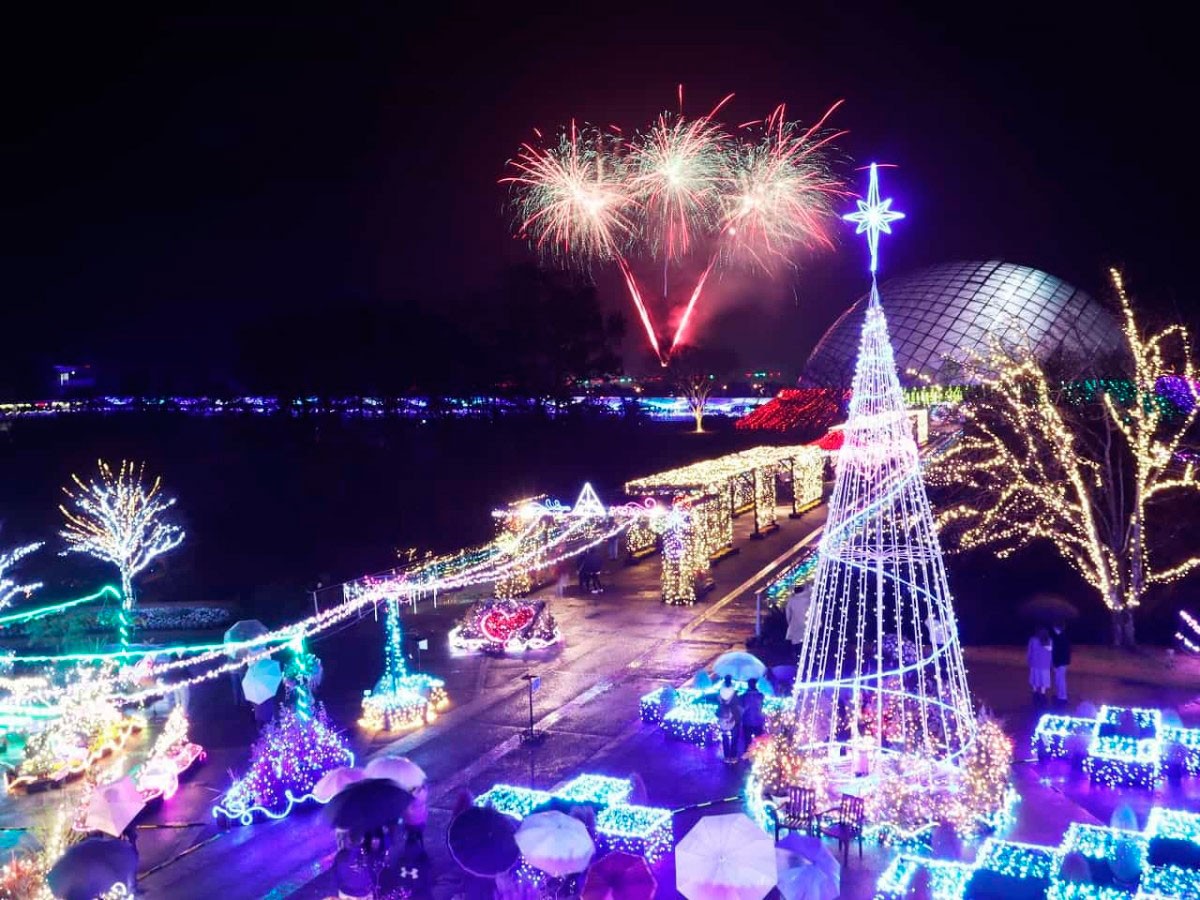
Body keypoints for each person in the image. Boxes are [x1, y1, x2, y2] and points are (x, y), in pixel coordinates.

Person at [716, 675, 742, 763]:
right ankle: (733, 757)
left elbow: (719, 705)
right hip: (734, 718)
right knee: (734, 738)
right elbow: (739, 707)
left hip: (723, 719)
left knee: (725, 737)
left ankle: (727, 757)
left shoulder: (720, 693)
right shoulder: (734, 694)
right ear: (731, 681)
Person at [1027, 628, 1053, 709]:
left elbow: (1029, 652)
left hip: (1035, 663)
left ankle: (1035, 692)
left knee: (1035, 678)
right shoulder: (1049, 640)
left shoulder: (1033, 640)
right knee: (1043, 680)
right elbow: (1051, 653)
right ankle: (1042, 693)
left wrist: (1029, 660)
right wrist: (1051, 663)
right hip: (1045, 665)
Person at [741, 677, 766, 750]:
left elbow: (742, 709)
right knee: (758, 742)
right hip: (758, 720)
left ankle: (747, 758)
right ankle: (757, 757)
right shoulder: (761, 695)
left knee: (747, 742)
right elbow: (762, 706)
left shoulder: (744, 696)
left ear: (748, 685)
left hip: (747, 721)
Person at [1051, 623, 1071, 705]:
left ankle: (1062, 697)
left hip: (1060, 663)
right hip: (1063, 662)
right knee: (1059, 680)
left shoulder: (1060, 638)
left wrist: (1056, 664)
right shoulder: (1063, 637)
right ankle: (1060, 696)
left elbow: (1058, 652)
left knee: (1060, 680)